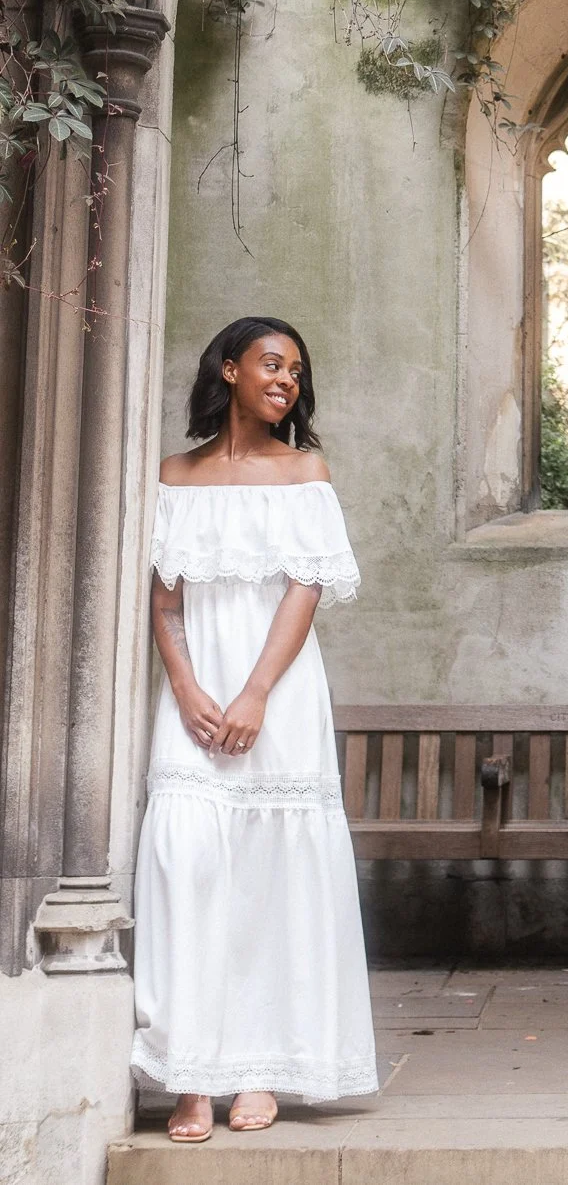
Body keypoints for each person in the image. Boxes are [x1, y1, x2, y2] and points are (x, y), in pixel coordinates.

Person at [131, 317, 377, 1143]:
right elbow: (166, 601)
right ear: (228, 369)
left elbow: (304, 590)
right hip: (195, 700)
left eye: (297, 371)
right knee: (185, 864)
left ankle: (263, 1064)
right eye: (272, 364)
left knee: (274, 874)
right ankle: (190, 1073)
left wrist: (254, 694)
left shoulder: (306, 472)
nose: (287, 381)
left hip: (278, 699)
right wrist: (190, 687)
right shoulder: (172, 475)